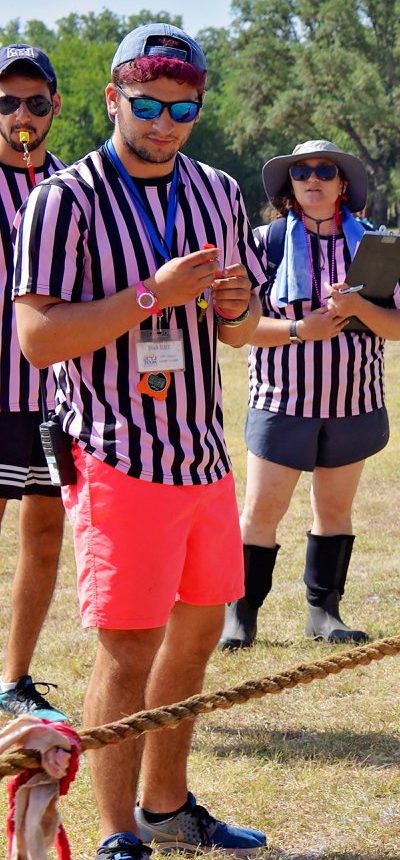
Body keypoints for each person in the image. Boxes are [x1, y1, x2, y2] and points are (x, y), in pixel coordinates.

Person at [10, 24, 268, 859]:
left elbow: (238, 332)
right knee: (127, 651)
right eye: (148, 105)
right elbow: (39, 339)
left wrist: (232, 303)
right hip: (117, 453)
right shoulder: (66, 198)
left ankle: (166, 805)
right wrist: (149, 298)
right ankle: (119, 834)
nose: (164, 123)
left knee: (196, 640)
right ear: (113, 98)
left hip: (202, 453)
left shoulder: (219, 191)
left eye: (182, 108)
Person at [218, 140, 400, 651]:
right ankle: (241, 617)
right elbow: (236, 328)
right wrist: (302, 329)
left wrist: (358, 309)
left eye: (325, 170)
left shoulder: (375, 243)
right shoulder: (263, 242)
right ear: (289, 186)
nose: (313, 178)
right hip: (282, 401)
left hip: (353, 402)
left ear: (342, 183)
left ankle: (324, 613)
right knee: (262, 509)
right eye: (301, 171)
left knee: (334, 509)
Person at [0, 44, 69, 723]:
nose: (22, 114)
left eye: (35, 102)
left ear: (54, 106)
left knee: (45, 534)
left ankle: (15, 678)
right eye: (7, 102)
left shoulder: (72, 188)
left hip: (57, 397)